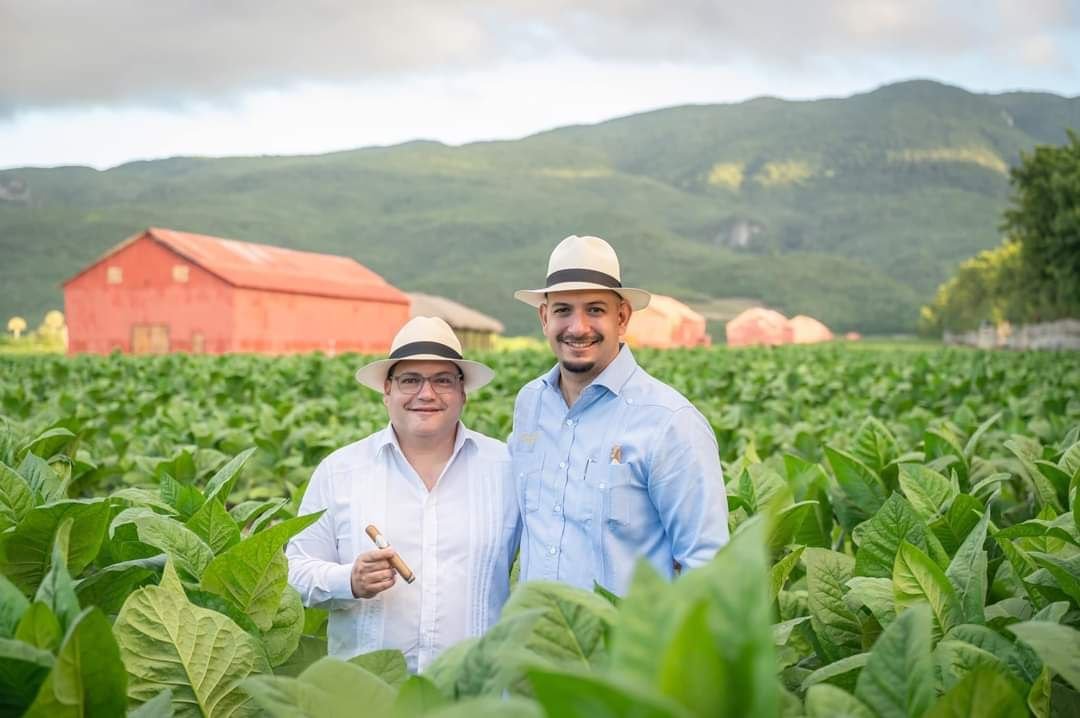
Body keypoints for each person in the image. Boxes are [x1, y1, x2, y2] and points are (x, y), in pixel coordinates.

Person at [286, 317, 520, 672]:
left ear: (462, 392)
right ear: (387, 391)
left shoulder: (507, 469)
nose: (426, 394)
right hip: (369, 695)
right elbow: (294, 571)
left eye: (442, 380)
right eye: (410, 380)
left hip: (473, 692)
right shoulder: (340, 471)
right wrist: (348, 580)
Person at [509, 235, 728, 595]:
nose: (578, 328)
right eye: (563, 310)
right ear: (544, 317)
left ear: (622, 316)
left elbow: (706, 564)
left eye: (595, 309)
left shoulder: (670, 421)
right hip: (538, 645)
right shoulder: (530, 404)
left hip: (626, 649)